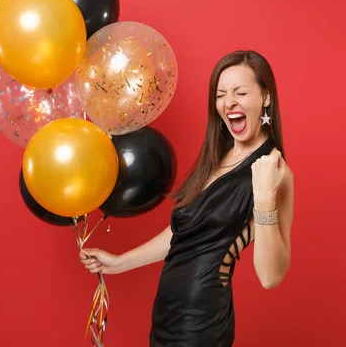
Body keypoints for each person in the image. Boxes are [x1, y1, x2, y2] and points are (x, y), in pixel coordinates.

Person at [80, 50, 294, 346]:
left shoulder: (274, 169)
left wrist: (265, 198)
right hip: (168, 314)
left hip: (201, 324)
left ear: (266, 97)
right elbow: (183, 234)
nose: (228, 102)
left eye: (240, 92)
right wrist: (120, 262)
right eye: (220, 94)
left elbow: (271, 276)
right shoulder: (219, 157)